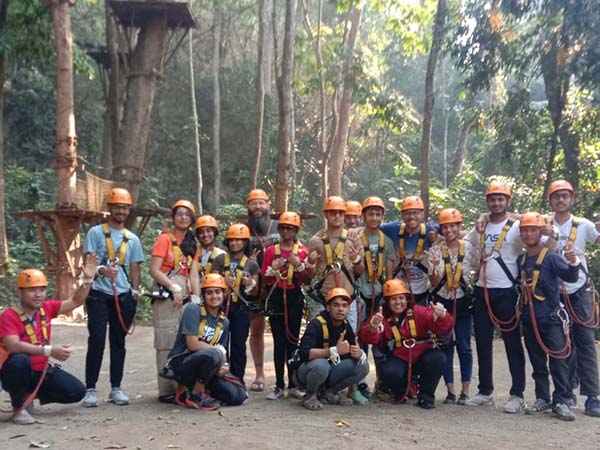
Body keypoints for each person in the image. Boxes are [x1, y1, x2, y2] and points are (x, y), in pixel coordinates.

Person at [0, 256, 97, 424]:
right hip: (15, 370)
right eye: (32, 290)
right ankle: (19, 406)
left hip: (41, 369)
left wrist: (87, 279)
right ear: (20, 292)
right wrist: (50, 350)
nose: (38, 295)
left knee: (76, 391)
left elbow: (75, 301)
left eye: (42, 289)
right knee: (20, 361)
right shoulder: (9, 315)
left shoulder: (46, 308)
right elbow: (13, 346)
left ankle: (28, 394)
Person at [463, 183, 528, 412]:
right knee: (482, 341)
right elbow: (466, 241)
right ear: (487, 202)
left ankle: (517, 394)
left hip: (507, 290)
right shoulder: (482, 225)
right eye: (492, 199)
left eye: (501, 199)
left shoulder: (518, 226)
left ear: (507, 201)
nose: (496, 203)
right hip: (483, 289)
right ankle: (485, 390)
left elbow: (537, 228)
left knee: (512, 342)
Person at [82, 188, 144, 408]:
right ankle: (90, 388)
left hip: (124, 295)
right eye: (117, 206)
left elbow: (135, 267)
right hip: (99, 293)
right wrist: (101, 270)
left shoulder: (132, 239)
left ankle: (116, 388)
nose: (121, 210)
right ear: (109, 208)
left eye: (124, 207)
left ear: (128, 210)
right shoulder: (96, 233)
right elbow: (87, 262)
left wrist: (135, 292)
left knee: (119, 342)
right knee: (97, 340)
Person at [545, 180, 600, 417]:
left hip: (578, 289)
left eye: (565, 196)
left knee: (585, 341)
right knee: (560, 344)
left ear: (572, 199)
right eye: (556, 196)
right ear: (551, 201)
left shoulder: (583, 225)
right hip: (553, 292)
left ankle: (592, 396)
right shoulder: (543, 225)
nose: (560, 200)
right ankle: (565, 394)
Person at [518, 212, 580, 420]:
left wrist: (574, 262)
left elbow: (570, 277)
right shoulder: (522, 259)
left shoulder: (551, 257)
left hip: (551, 317)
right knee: (537, 360)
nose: (528, 234)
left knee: (559, 358)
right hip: (530, 317)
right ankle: (542, 397)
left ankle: (562, 400)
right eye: (525, 230)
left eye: (533, 230)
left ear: (540, 232)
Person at [361, 279, 451, 408]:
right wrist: (373, 327)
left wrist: (443, 316)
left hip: (422, 354)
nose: (398, 302)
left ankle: (426, 397)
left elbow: (442, 327)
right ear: (387, 302)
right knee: (389, 372)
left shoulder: (419, 312)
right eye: (393, 299)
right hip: (400, 356)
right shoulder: (381, 318)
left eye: (401, 298)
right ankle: (403, 391)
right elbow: (369, 339)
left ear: (407, 299)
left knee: (438, 359)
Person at [166, 274, 247, 409]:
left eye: (217, 292)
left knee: (238, 396)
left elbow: (223, 350)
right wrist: (218, 356)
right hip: (183, 363)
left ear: (224, 294)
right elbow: (192, 344)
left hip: (209, 367)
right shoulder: (193, 310)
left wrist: (224, 367)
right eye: (209, 293)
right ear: (204, 295)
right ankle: (195, 395)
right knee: (213, 353)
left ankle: (202, 391)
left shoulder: (224, 321)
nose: (214, 296)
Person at [149, 199, 200, 403]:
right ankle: (166, 389)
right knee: (166, 340)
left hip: (186, 296)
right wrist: (173, 287)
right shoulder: (165, 240)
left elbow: (194, 273)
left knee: (185, 340)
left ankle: (181, 386)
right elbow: (154, 269)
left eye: (187, 214)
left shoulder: (191, 243)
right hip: (167, 294)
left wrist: (196, 298)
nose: (183, 217)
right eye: (179, 213)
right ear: (173, 217)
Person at [426, 208, 478, 405]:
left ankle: (465, 391)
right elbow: (433, 282)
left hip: (463, 300)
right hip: (442, 301)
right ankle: (450, 390)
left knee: (464, 346)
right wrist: (435, 265)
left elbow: (478, 267)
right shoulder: (435, 250)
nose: (449, 231)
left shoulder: (469, 248)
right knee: (446, 344)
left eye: (452, 226)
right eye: (445, 227)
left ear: (459, 227)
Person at [261, 212, 311, 400]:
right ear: (279, 229)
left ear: (296, 230)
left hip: (294, 297)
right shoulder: (270, 251)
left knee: (292, 341)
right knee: (278, 341)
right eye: (283, 228)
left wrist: (299, 266)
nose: (286, 231)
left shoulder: (302, 251)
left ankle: (293, 383)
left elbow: (307, 279)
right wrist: (273, 269)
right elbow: (264, 279)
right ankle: (279, 385)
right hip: (276, 295)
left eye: (291, 228)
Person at [294, 288, 369, 411]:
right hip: (307, 371)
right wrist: (332, 351)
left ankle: (328, 393)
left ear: (348, 309)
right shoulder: (316, 324)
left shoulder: (345, 325)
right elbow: (304, 353)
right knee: (321, 364)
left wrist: (358, 353)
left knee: (363, 365)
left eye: (344, 306)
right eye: (336, 305)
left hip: (329, 371)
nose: (340, 309)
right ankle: (310, 395)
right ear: (328, 307)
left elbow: (351, 352)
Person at [354, 196, 396, 398]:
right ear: (364, 216)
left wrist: (387, 298)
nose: (374, 217)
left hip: (378, 294)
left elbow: (389, 272)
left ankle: (382, 382)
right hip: (359, 293)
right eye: (370, 213)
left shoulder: (386, 241)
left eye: (378, 213)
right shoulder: (355, 238)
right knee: (360, 338)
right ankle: (360, 382)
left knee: (380, 339)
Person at [211, 223, 260, 384]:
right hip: (222, 307)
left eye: (238, 240)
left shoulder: (251, 264)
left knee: (239, 345)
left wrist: (250, 284)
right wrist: (222, 281)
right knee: (220, 344)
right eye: (231, 240)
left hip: (241, 308)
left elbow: (255, 291)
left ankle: (238, 379)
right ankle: (220, 378)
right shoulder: (220, 260)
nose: (234, 243)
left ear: (245, 242)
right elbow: (211, 283)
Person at [306, 196, 363, 325]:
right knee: (319, 337)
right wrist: (310, 262)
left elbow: (360, 271)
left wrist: (356, 260)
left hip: (347, 299)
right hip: (324, 298)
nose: (337, 216)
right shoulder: (316, 240)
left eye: (340, 213)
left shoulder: (353, 238)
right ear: (326, 214)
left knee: (349, 339)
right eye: (333, 213)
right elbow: (309, 277)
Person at [245, 189, 280, 392]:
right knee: (256, 330)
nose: (257, 207)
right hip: (253, 289)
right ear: (248, 207)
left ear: (268, 205)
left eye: (261, 203)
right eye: (253, 203)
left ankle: (283, 376)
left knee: (279, 332)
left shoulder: (280, 227)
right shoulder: (242, 230)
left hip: (277, 287)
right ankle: (259, 374)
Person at [380, 196, 438, 306]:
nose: (411, 217)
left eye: (415, 213)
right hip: (399, 291)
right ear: (402, 215)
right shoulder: (393, 229)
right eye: (407, 213)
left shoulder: (432, 230)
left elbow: (454, 232)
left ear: (422, 213)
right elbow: (372, 227)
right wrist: (356, 229)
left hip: (423, 290)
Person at [195, 215, 225, 284]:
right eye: (201, 232)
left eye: (209, 231)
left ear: (214, 233)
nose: (205, 235)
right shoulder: (192, 253)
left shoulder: (222, 255)